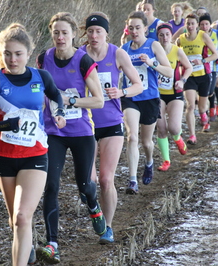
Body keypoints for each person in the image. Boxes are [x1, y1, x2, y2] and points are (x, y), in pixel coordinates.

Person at [0, 23, 66, 266]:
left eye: (18, 54)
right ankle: (27, 246)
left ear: (29, 54)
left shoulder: (41, 77)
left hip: (35, 155)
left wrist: (59, 112)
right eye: (7, 54)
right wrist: (3, 126)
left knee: (23, 217)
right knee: (15, 222)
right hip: (5, 157)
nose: (12, 59)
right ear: (1, 54)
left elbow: (55, 95)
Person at [35, 12, 105, 264]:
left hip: (81, 133)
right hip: (53, 132)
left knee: (84, 187)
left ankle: (94, 208)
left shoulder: (83, 60)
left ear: (75, 34)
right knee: (51, 185)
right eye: (56, 32)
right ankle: (52, 242)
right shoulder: (44, 59)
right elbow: (38, 90)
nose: (60, 37)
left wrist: (69, 100)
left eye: (65, 32)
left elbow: (98, 100)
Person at [79, 12, 143, 244]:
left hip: (111, 123)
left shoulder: (118, 53)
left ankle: (107, 227)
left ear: (107, 33)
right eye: (90, 31)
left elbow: (138, 85)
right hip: (84, 125)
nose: (94, 35)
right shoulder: (78, 55)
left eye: (99, 31)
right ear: (85, 33)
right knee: (89, 182)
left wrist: (122, 92)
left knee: (106, 179)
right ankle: (95, 210)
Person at [121, 11, 173, 193]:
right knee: (132, 137)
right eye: (131, 28)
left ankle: (149, 161)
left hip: (150, 98)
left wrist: (152, 63)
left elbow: (170, 72)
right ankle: (132, 181)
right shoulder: (124, 49)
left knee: (146, 142)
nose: (134, 31)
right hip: (130, 98)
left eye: (137, 27)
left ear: (145, 28)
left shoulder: (154, 45)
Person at [176, 13, 218, 144]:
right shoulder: (180, 39)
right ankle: (192, 135)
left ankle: (204, 116)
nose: (190, 26)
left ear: (197, 25)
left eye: (192, 24)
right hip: (188, 77)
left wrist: (204, 60)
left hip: (203, 76)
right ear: (185, 25)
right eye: (188, 23)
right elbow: (175, 57)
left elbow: (215, 54)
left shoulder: (203, 36)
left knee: (201, 108)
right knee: (189, 106)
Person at [156, 23, 192, 171]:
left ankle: (178, 139)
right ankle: (166, 161)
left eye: (167, 34)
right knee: (161, 128)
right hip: (158, 95)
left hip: (175, 94)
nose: (164, 38)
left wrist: (182, 80)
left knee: (174, 128)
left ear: (171, 36)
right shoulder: (154, 51)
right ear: (157, 37)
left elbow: (188, 67)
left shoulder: (177, 51)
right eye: (161, 35)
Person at [198, 13, 218, 123]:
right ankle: (205, 113)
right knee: (202, 93)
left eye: (206, 24)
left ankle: (212, 106)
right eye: (202, 24)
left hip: (214, 65)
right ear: (199, 25)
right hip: (201, 67)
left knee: (210, 90)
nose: (204, 27)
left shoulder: (217, 34)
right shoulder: (197, 36)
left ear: (210, 24)